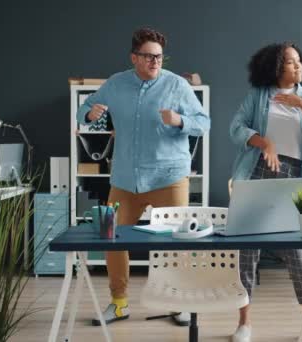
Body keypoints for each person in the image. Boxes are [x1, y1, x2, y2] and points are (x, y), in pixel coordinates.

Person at [76, 27, 210, 326]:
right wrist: (89, 115)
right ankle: (119, 303)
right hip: (124, 178)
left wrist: (180, 121)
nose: (155, 62)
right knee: (111, 240)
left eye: (159, 57)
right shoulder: (115, 84)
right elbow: (85, 108)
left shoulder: (177, 86)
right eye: (149, 56)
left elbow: (203, 123)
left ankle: (178, 304)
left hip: (169, 176)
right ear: (134, 57)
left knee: (177, 242)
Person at [229, 42, 302, 342]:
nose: (297, 66)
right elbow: (235, 129)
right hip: (257, 172)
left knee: (298, 256)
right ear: (276, 67)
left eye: (299, 61)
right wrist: (265, 143)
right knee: (247, 254)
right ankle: (244, 324)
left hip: (295, 177)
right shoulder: (258, 96)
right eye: (290, 62)